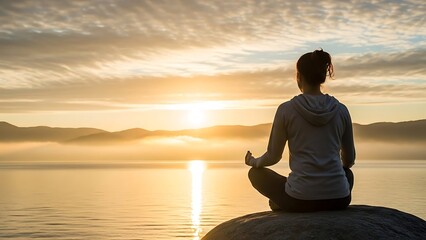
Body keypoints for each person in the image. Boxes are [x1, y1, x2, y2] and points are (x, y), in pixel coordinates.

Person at [245, 49, 355, 212]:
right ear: (322, 77)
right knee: (348, 174)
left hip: (300, 200)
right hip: (339, 199)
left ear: (299, 77)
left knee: (255, 174)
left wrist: (253, 162)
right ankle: (288, 200)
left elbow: (273, 156)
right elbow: (349, 160)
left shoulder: (286, 110)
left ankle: (281, 203)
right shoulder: (341, 110)